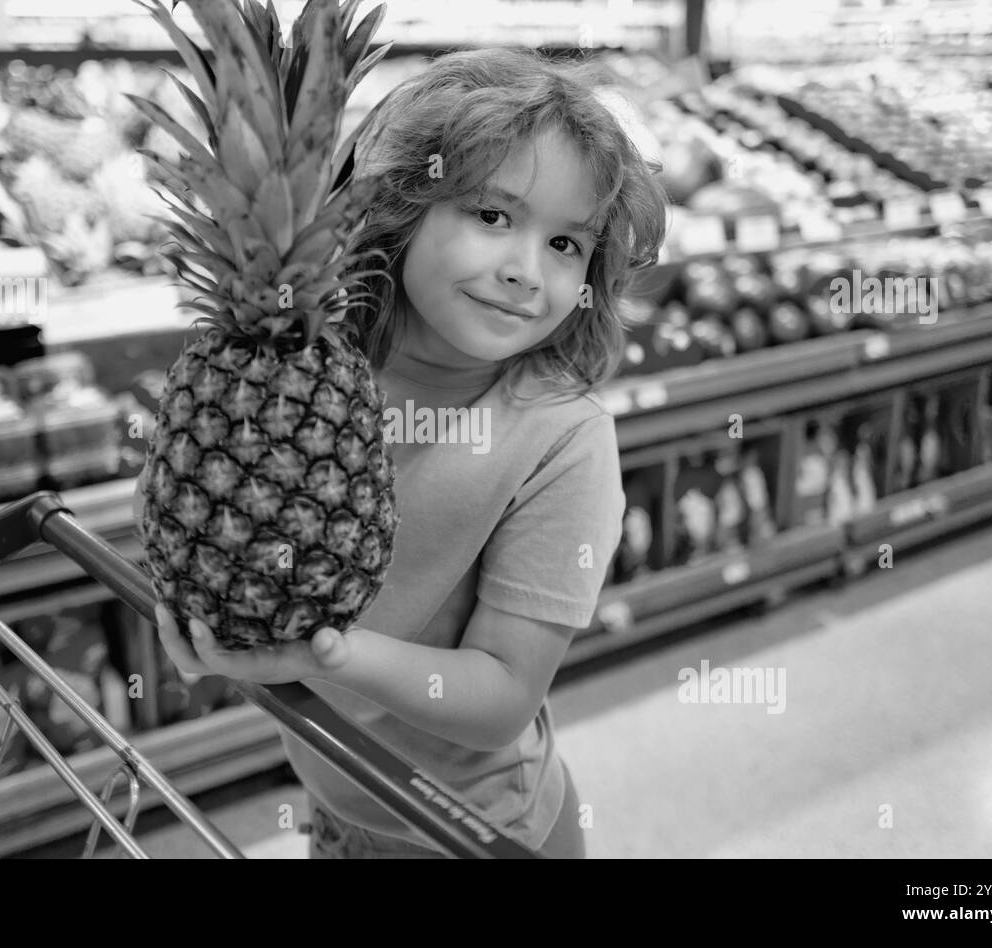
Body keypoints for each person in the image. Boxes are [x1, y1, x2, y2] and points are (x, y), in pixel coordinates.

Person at [143, 46, 667, 858]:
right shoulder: (302, 390)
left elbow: (502, 696)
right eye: (492, 216)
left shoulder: (562, 437)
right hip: (341, 807)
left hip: (481, 836)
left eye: (567, 244)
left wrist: (326, 655)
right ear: (397, 207)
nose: (527, 272)